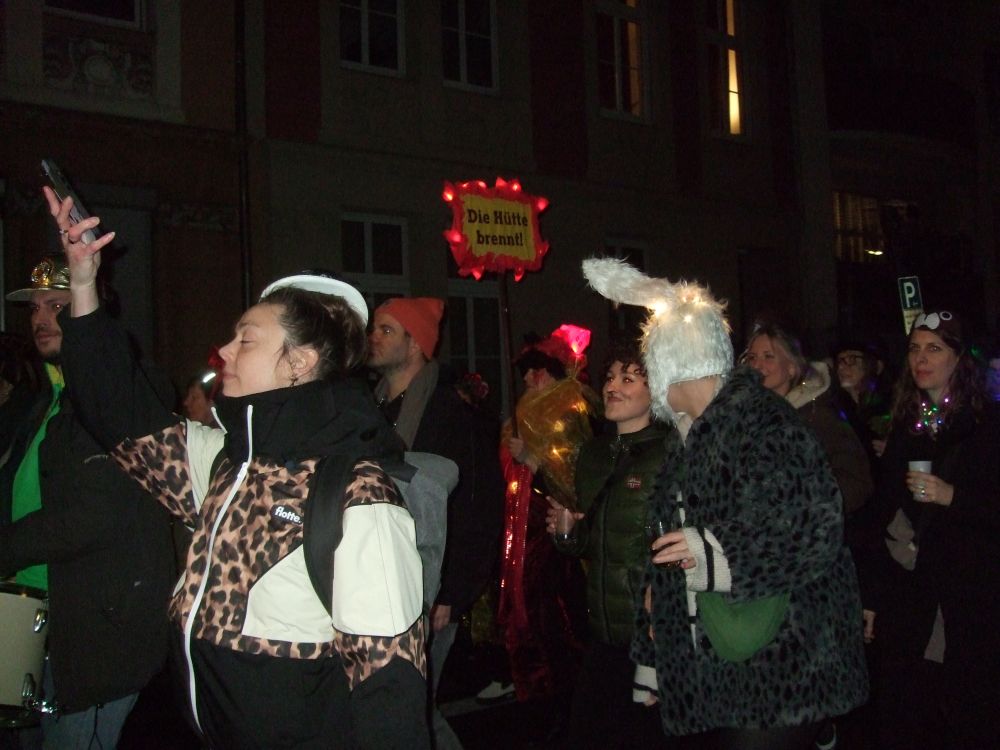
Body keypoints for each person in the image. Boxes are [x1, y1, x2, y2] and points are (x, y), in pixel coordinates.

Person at [47, 189, 430, 749]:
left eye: (246, 339)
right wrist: (84, 282)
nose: (224, 351)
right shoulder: (226, 463)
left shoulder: (356, 494)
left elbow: (389, 688)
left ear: (299, 362)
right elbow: (118, 413)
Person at [583, 258, 868, 750]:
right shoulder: (686, 442)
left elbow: (812, 525)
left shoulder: (762, 422)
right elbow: (669, 558)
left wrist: (712, 549)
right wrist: (657, 664)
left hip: (789, 660)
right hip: (730, 661)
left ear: (673, 362)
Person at [0, 255, 175, 749]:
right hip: (39, 614)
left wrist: (6, 547)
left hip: (98, 628)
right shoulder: (48, 398)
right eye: (35, 308)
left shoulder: (122, 394)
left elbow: (93, 514)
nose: (40, 319)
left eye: (57, 306)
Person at [368, 297, 504, 750]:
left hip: (429, 585)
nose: (373, 337)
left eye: (387, 330)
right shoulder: (372, 408)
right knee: (396, 706)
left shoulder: (451, 412)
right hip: (380, 575)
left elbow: (476, 505)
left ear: (415, 344)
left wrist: (452, 591)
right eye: (375, 328)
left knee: (414, 708)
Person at [862, 310, 1000, 749]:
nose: (921, 359)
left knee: (970, 712)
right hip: (913, 592)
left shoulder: (987, 425)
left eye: (934, 349)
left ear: (959, 358)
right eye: (915, 349)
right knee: (909, 712)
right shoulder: (909, 424)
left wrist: (952, 496)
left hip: (972, 600)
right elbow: (881, 510)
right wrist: (872, 597)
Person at [545, 338, 674, 749]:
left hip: (649, 633)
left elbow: (678, 546)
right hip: (600, 630)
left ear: (656, 391)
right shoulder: (594, 454)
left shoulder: (671, 453)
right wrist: (567, 532)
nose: (612, 386)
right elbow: (589, 545)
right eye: (610, 377)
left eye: (629, 378)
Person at [498, 328, 596, 712]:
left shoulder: (567, 409)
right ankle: (544, 689)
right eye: (524, 371)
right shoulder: (529, 408)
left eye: (533, 370)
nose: (526, 378)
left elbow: (570, 475)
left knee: (552, 608)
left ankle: (564, 690)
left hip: (556, 526)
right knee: (534, 605)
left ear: (550, 371)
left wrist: (532, 460)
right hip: (527, 525)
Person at [742, 319, 873, 519]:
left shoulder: (817, 416)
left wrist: (805, 508)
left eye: (768, 357)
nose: (757, 365)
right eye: (752, 357)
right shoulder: (748, 416)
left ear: (791, 367)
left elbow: (856, 481)